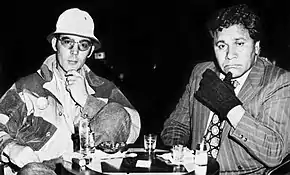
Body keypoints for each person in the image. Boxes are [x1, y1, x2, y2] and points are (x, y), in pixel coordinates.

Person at [0, 8, 140, 174]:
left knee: (115, 114)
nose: (75, 52)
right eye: (68, 42)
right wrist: (11, 147)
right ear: (55, 44)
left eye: (83, 45)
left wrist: (87, 101)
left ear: (90, 51)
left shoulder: (104, 88)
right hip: (44, 170)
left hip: (90, 170)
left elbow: (132, 129)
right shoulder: (28, 88)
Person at [161, 4, 290, 174]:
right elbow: (176, 124)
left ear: (256, 47)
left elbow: (275, 153)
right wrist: (178, 151)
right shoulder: (201, 73)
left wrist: (230, 107)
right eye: (221, 46)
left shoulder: (279, 81)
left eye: (239, 43)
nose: (230, 55)